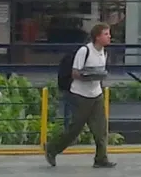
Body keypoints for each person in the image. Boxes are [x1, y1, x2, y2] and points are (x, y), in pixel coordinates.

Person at [44, 22, 115, 169]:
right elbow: (75, 72)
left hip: (96, 94)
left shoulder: (103, 52)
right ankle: (52, 148)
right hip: (81, 95)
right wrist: (90, 75)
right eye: (106, 34)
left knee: (101, 128)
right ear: (97, 37)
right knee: (74, 129)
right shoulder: (84, 51)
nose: (109, 37)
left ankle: (101, 158)